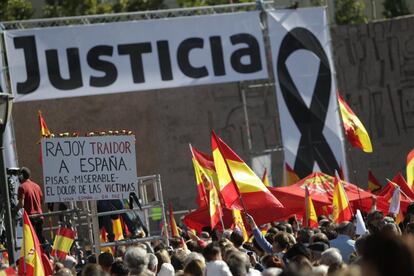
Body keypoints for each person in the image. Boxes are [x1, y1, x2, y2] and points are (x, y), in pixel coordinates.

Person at [17, 167, 45, 244]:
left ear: (21, 176)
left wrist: (13, 211)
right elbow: (41, 201)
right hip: (40, 216)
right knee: (39, 238)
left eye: (19, 176)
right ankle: (44, 254)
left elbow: (21, 204)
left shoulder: (22, 187)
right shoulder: (37, 186)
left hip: (30, 217)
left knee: (31, 240)